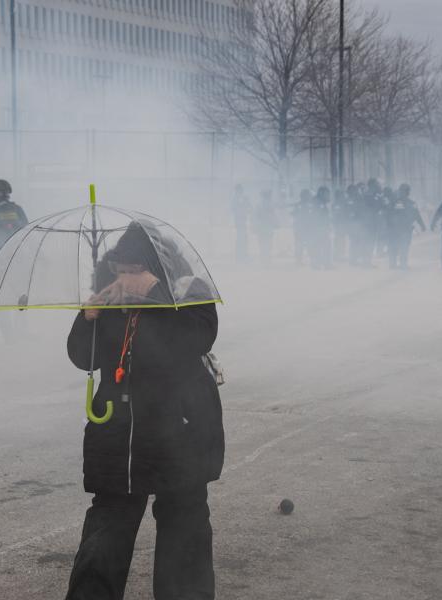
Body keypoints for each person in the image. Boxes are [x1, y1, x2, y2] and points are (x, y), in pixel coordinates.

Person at [64, 223, 223, 600]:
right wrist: (87, 318)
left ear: (156, 269)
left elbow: (198, 337)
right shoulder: (109, 299)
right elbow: (80, 357)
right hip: (118, 432)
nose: (126, 279)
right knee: (107, 527)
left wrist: (154, 294)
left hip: (178, 429)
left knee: (184, 523)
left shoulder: (189, 292)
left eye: (135, 271)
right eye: (121, 271)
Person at [384, 184, 425, 270]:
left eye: (405, 191)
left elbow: (417, 215)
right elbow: (387, 214)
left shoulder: (411, 203)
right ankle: (394, 264)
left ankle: (401, 264)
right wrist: (388, 225)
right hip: (396, 229)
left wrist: (422, 225)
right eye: (403, 191)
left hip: (404, 229)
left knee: (403, 247)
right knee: (397, 246)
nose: (404, 192)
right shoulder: (394, 202)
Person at [252, 189, 277, 266]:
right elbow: (273, 216)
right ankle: (267, 261)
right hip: (267, 227)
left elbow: (255, 217)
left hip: (262, 228)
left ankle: (264, 260)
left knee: (263, 244)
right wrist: (276, 223)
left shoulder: (258, 204)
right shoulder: (270, 204)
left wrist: (254, 226)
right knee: (268, 244)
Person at [230, 184, 252, 264]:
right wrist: (242, 207)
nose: (239, 192)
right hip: (239, 221)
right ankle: (240, 257)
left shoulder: (244, 198)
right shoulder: (235, 199)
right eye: (238, 190)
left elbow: (250, 208)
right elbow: (233, 209)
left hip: (242, 220)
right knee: (240, 239)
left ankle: (243, 256)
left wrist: (245, 206)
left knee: (243, 239)